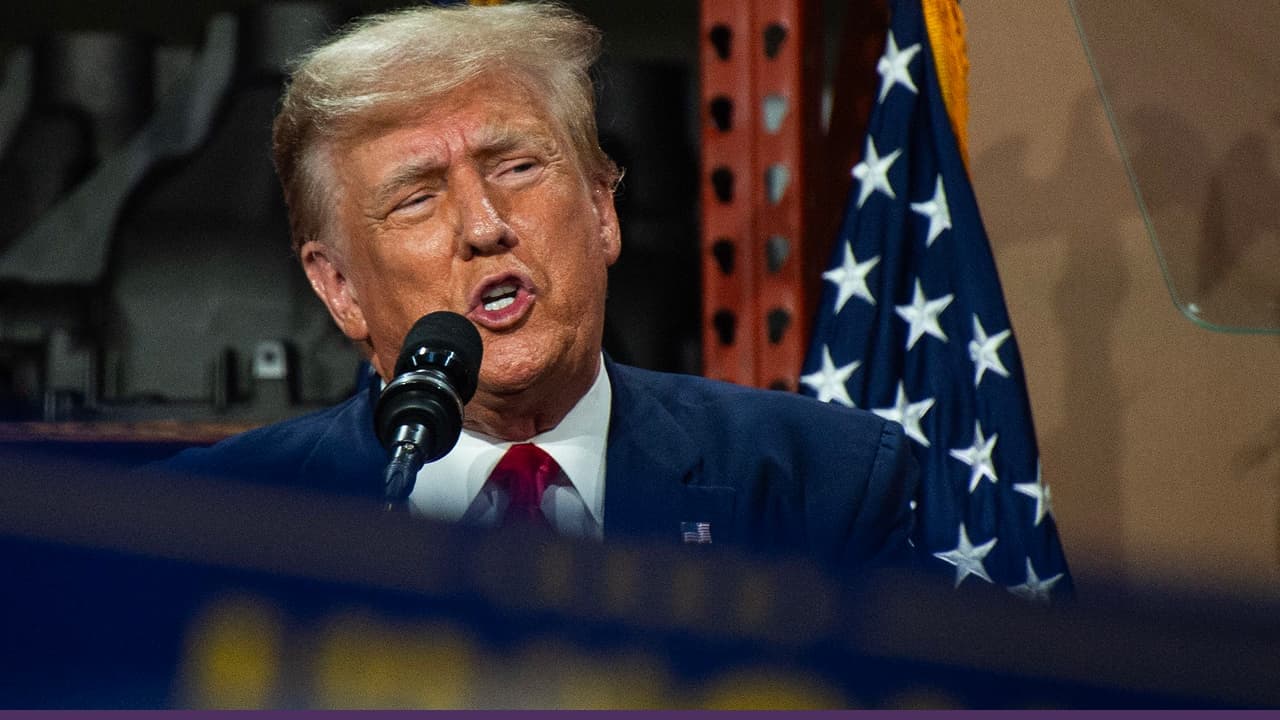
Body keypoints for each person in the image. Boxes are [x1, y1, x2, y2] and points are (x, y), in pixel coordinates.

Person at [165, 1, 918, 574]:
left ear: (600, 210)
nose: (485, 225)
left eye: (517, 167)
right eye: (416, 197)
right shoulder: (211, 522)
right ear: (339, 289)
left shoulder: (822, 485)